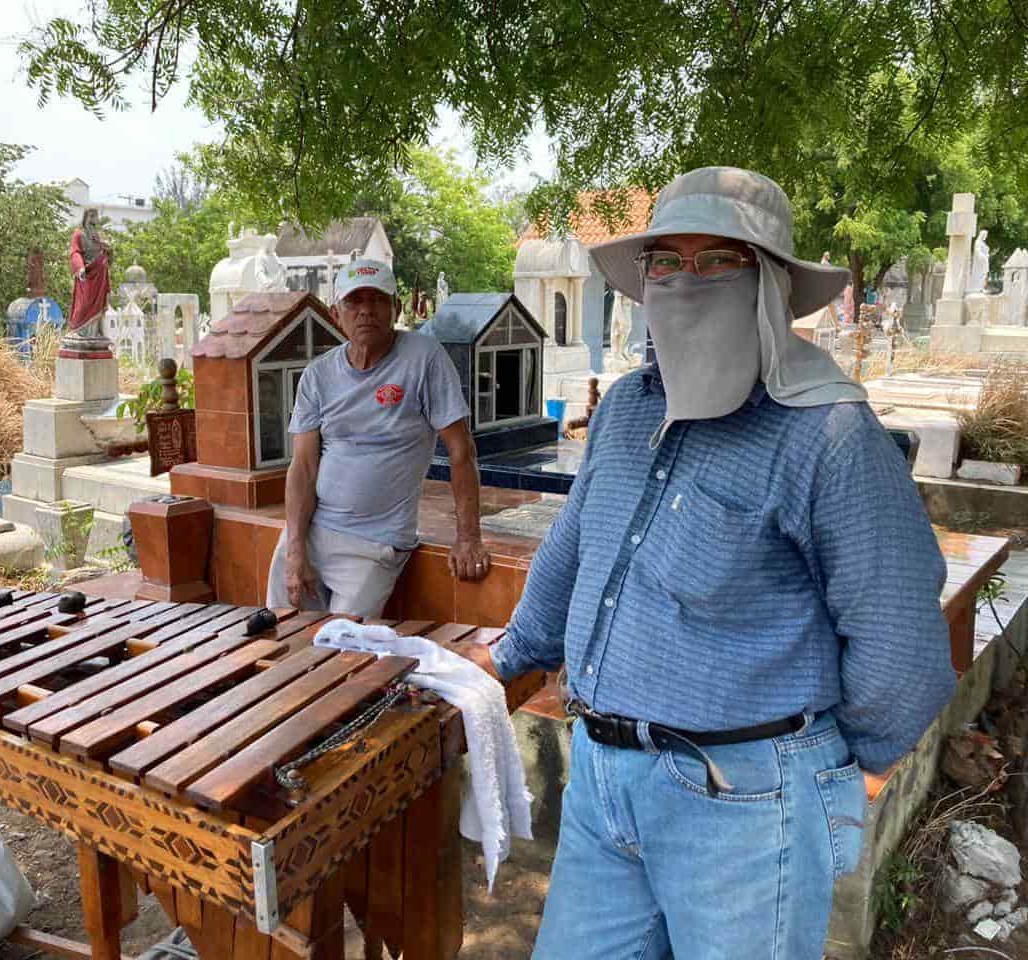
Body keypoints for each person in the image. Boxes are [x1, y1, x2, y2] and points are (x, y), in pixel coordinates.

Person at [467, 167, 953, 958]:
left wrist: (819, 767)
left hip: (747, 806)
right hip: (601, 786)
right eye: (667, 262)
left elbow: (902, 649)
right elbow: (572, 553)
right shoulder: (627, 408)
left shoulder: (826, 434)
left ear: (765, 282)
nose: (685, 282)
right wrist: (507, 655)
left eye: (718, 261)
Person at [265, 258, 491, 618]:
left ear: (396, 308)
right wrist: (295, 549)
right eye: (354, 302)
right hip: (310, 535)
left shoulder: (424, 357)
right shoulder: (318, 375)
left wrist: (468, 538)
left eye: (378, 300)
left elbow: (462, 451)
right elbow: (303, 468)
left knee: (345, 655)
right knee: (282, 635)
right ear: (336, 314)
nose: (366, 311)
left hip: (375, 544)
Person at [66, 207, 111, 344]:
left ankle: (95, 332)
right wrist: (79, 268)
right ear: (85, 218)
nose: (93, 220)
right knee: (84, 304)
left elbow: (107, 253)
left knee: (98, 304)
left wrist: (107, 247)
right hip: (86, 273)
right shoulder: (78, 234)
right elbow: (75, 253)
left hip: (100, 274)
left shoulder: (98, 236)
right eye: (90, 216)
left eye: (95, 217)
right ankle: (79, 331)